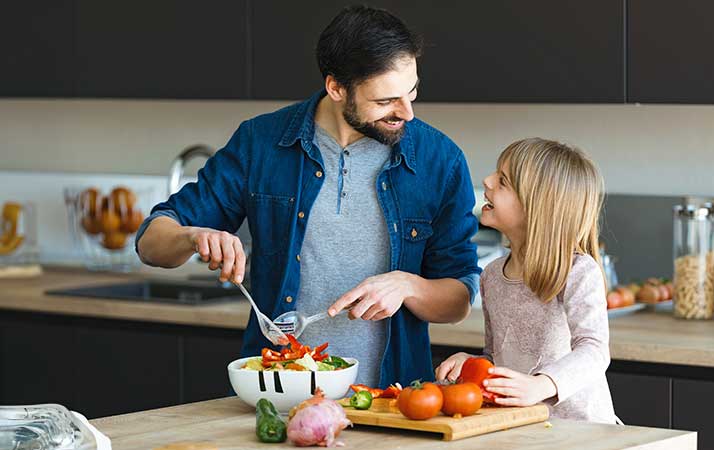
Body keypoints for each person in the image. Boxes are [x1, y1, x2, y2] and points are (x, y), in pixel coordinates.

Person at [135, 5, 480, 387]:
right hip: (278, 393)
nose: (408, 112)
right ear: (336, 88)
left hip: (393, 399)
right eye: (386, 101)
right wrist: (192, 236)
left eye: (412, 91)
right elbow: (151, 242)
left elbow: (459, 299)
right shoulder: (261, 143)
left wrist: (408, 285)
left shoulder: (440, 160)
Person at [435, 138, 617, 423]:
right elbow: (499, 358)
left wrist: (541, 385)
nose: (487, 181)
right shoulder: (493, 276)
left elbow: (594, 351)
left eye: (503, 181)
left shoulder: (578, 271)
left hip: (583, 433)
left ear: (538, 207)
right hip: (528, 429)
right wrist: (474, 365)